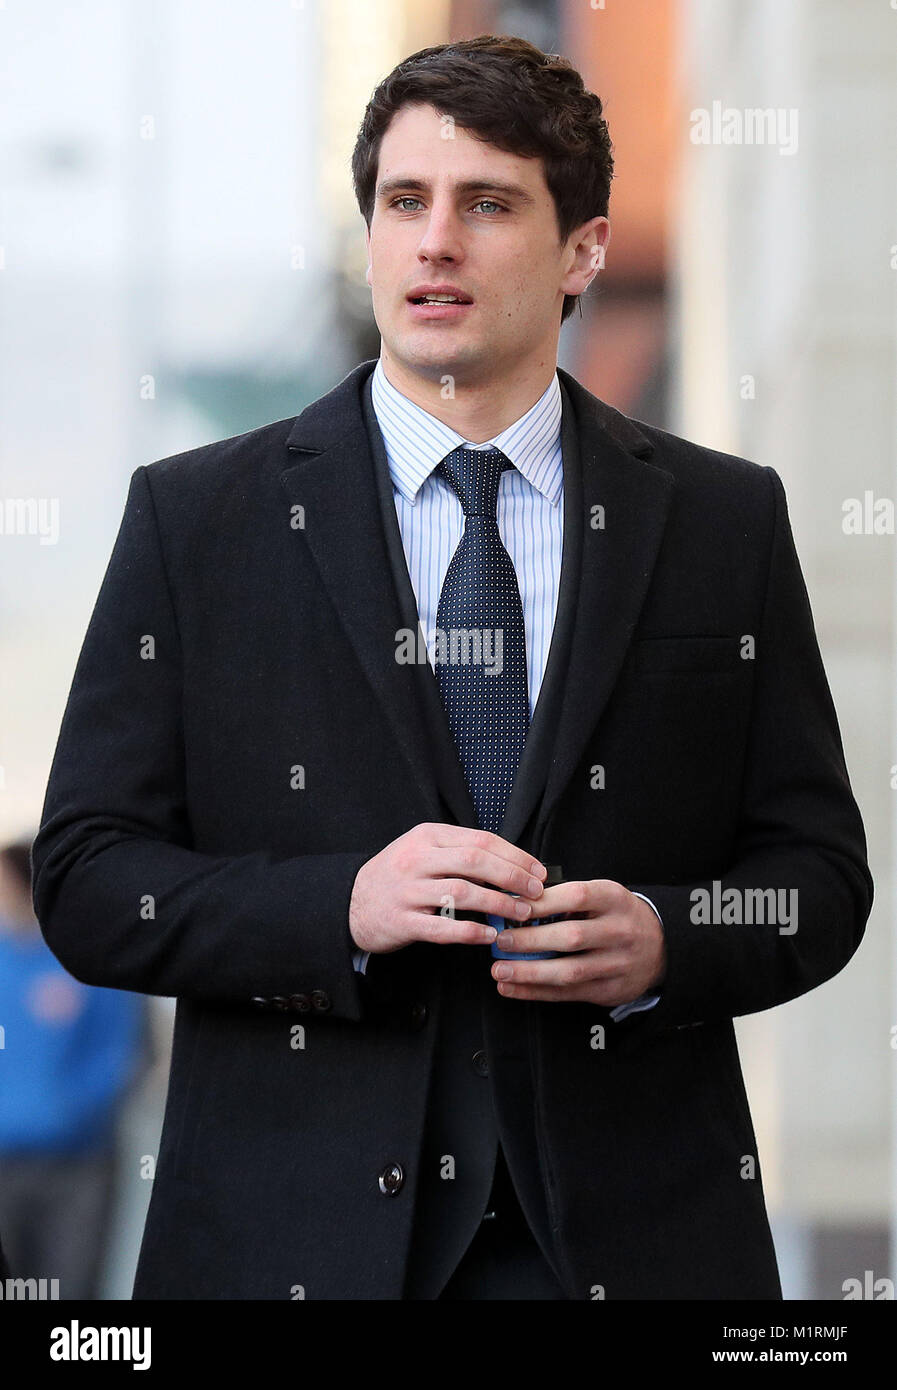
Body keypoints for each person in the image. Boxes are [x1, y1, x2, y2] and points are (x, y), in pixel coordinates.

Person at [31, 35, 872, 1300]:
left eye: (487, 204)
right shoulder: (198, 519)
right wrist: (339, 909)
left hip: (632, 1242)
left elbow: (816, 876)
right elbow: (91, 875)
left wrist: (666, 937)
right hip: (288, 1244)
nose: (436, 242)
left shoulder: (720, 520)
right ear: (369, 238)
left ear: (583, 249)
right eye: (404, 203)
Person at [0, 839, 147, 1298]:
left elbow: (124, 1057)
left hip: (78, 1166)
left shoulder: (88, 959)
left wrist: (64, 1114)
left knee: (67, 1292)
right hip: (4, 1165)